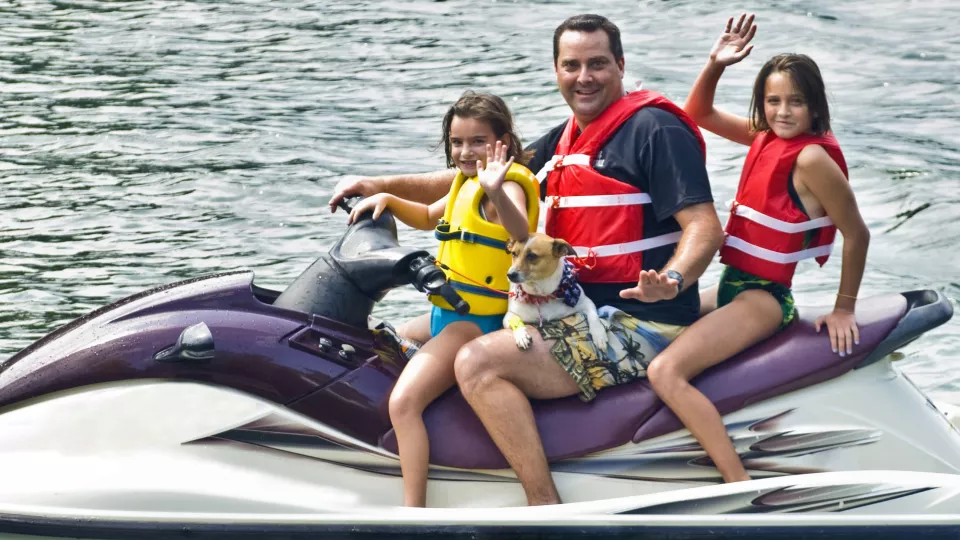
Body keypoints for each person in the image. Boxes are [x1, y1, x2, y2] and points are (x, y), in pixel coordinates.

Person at [331, 14, 724, 506]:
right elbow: (468, 177)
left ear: (621, 66)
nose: (585, 77)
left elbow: (705, 228)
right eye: (572, 65)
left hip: (636, 319)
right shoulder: (567, 139)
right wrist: (378, 186)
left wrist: (672, 278)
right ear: (556, 71)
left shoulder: (655, 130)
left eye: (598, 64)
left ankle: (543, 506)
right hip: (570, 310)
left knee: (476, 363)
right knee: (405, 334)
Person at [644, 13, 871, 483]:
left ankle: (738, 486)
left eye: (796, 102)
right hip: (733, 285)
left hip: (763, 299)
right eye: (773, 101)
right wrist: (715, 63)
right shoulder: (765, 138)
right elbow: (698, 114)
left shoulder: (811, 158)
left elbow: (858, 233)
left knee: (665, 372)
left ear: (815, 109)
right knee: (649, 322)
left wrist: (844, 308)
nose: (783, 112)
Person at [347, 91, 540, 507]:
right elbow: (427, 216)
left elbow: (521, 231)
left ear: (502, 142)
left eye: (477, 141)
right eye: (457, 142)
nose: (465, 152)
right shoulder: (463, 183)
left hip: (476, 324)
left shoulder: (502, 187)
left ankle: (413, 509)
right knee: (388, 337)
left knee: (403, 403)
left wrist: (497, 190)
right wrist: (386, 200)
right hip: (448, 314)